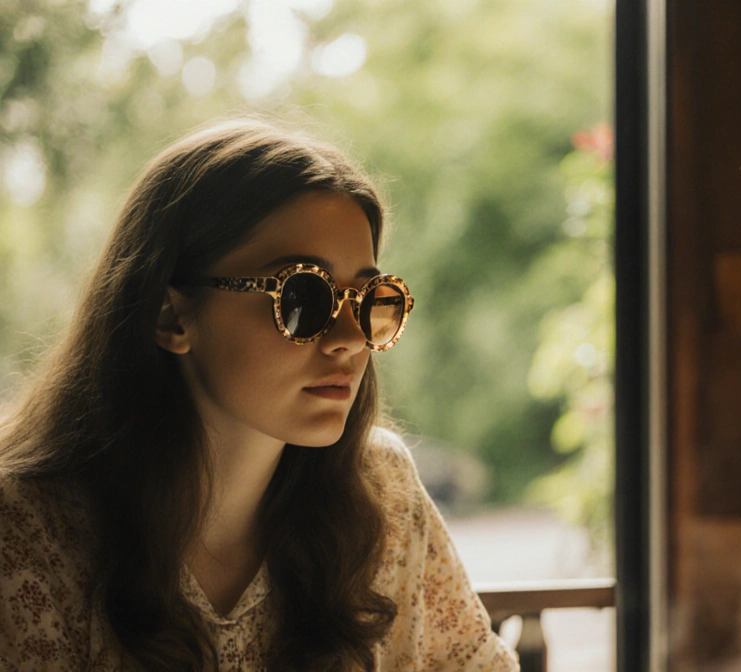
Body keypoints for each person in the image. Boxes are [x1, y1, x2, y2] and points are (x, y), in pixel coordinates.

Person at [0, 120, 518, 671]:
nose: (349, 340)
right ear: (170, 314)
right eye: (303, 297)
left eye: (368, 300)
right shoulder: (26, 535)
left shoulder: (381, 492)